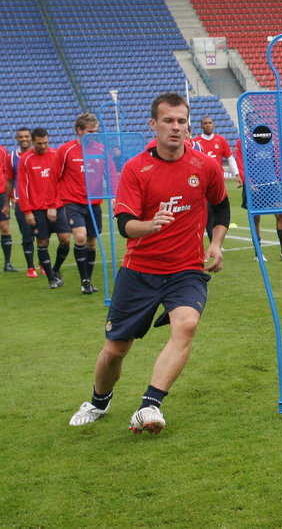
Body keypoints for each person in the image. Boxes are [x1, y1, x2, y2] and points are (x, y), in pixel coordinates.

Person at [68, 93, 229, 434]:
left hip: (186, 269)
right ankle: (99, 400)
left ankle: (149, 405)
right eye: (168, 121)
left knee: (186, 324)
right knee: (115, 350)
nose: (176, 127)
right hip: (140, 270)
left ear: (188, 125)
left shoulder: (205, 166)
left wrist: (215, 244)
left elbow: (222, 206)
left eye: (181, 121)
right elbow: (124, 224)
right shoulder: (135, 168)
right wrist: (150, 224)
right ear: (153, 124)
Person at [55, 113, 103, 294]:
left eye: (96, 132)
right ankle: (84, 281)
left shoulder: (100, 148)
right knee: (80, 237)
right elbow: (55, 176)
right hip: (73, 201)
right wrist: (55, 203)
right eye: (90, 132)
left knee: (91, 242)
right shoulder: (65, 150)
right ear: (79, 131)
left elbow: (110, 172)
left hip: (94, 203)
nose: (93, 135)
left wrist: (114, 194)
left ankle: (88, 280)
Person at [233, 137, 282, 261]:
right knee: (255, 218)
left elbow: (276, 160)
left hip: (271, 184)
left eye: (258, 117)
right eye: (252, 119)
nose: (256, 121)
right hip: (254, 185)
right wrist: (248, 182)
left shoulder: (270, 139)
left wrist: (280, 178)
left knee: (280, 214)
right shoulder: (243, 141)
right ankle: (258, 254)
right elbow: (240, 161)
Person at [18, 127, 66, 289]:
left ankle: (56, 269)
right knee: (42, 242)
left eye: (45, 142)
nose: (43, 146)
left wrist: (54, 204)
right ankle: (51, 279)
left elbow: (62, 182)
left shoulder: (56, 155)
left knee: (65, 239)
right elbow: (22, 188)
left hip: (57, 207)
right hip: (37, 209)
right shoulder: (25, 160)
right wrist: (27, 211)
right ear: (33, 142)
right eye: (39, 144)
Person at [193, 116, 239, 240]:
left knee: (220, 210)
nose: (208, 125)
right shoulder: (196, 143)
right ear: (201, 126)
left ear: (213, 124)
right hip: (203, 182)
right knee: (208, 213)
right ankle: (213, 241)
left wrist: (237, 174)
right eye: (205, 123)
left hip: (218, 182)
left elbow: (229, 157)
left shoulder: (221, 140)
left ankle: (217, 241)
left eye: (210, 123)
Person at [7, 128, 37, 276]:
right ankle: (31, 267)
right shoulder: (12, 157)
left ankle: (43, 265)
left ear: (31, 138)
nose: (23, 139)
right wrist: (7, 203)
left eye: (26, 136)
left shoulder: (39, 154)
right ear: (17, 139)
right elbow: (9, 180)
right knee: (27, 236)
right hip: (21, 202)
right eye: (21, 137)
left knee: (42, 235)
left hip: (39, 201)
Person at [0, 142, 14, 272]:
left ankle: (8, 263)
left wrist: (10, 196)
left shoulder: (2, 151)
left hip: (1, 194)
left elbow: (8, 174)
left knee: (4, 227)